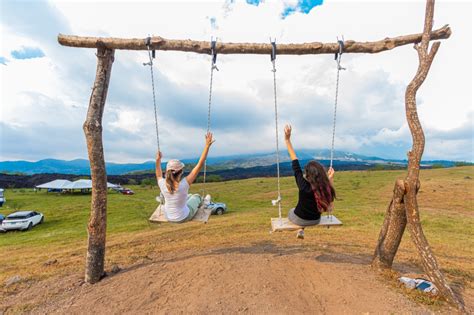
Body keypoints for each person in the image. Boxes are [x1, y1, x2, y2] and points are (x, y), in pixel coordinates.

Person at [284, 124, 336, 239]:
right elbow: (330, 204)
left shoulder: (303, 186)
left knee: (291, 210)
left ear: (307, 174)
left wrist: (287, 140)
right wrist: (330, 179)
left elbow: (295, 161)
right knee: (306, 210)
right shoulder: (324, 187)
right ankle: (301, 229)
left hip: (300, 219)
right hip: (315, 220)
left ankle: (301, 228)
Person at [155, 132, 215, 223]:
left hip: (168, 216)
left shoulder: (163, 184)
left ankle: (188, 198)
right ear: (181, 172)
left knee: (188, 196)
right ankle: (206, 201)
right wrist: (207, 146)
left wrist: (158, 160)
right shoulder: (184, 184)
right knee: (196, 197)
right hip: (183, 217)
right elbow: (199, 164)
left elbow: (159, 174)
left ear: (167, 171)